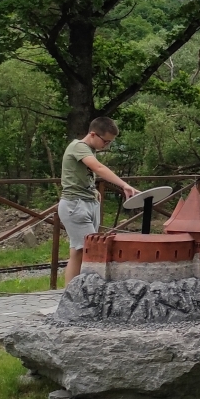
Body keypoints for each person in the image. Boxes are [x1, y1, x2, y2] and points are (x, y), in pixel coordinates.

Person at [59, 117, 138, 284]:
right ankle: (84, 291)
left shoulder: (89, 149)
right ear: (93, 134)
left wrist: (93, 190)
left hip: (87, 202)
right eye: (106, 141)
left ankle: (71, 292)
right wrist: (124, 184)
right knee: (92, 249)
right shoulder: (78, 146)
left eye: (110, 143)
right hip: (75, 204)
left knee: (78, 252)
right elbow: (98, 168)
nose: (106, 146)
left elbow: (81, 176)